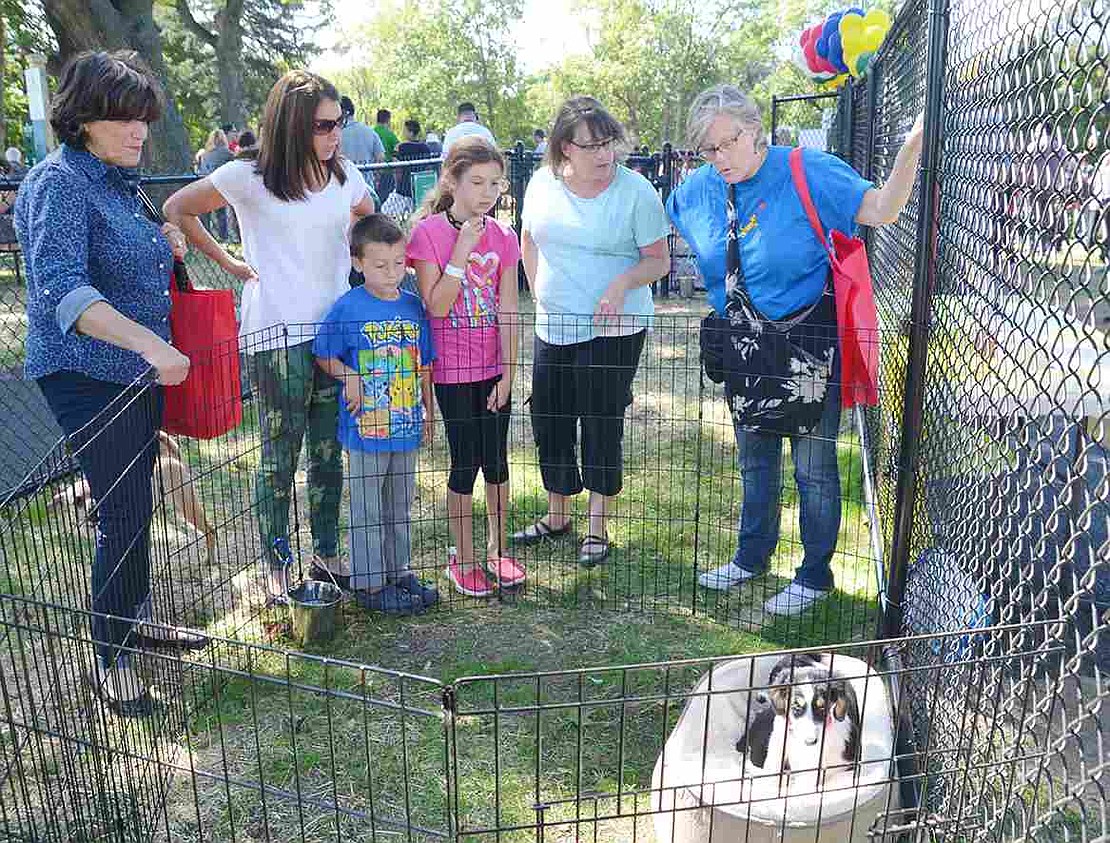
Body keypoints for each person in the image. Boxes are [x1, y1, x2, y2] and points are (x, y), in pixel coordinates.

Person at [667, 84, 925, 615]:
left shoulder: (809, 170)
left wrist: (915, 144)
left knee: (813, 466)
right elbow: (671, 230)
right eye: (707, 150)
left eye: (727, 144)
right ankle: (751, 555)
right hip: (745, 348)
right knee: (755, 459)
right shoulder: (696, 191)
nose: (719, 160)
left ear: (755, 130)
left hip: (808, 343)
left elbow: (883, 209)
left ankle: (814, 574)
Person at [14, 50, 205, 717]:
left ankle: (135, 617)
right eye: (123, 119)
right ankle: (111, 657)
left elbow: (124, 246)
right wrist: (150, 342)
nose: (138, 132)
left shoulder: (118, 178)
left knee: (137, 500)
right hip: (86, 373)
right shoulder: (57, 182)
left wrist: (164, 241)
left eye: (143, 119)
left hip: (135, 369)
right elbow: (65, 288)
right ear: (83, 116)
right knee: (122, 509)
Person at [164, 70, 377, 602]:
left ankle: (327, 555)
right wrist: (228, 261)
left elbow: (368, 218)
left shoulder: (344, 175)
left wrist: (360, 263)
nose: (336, 134)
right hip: (274, 336)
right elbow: (177, 208)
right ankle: (277, 567)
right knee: (279, 457)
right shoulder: (247, 176)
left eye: (340, 122)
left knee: (329, 453)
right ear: (292, 124)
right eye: (325, 124)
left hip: (335, 338)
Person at [513, 96, 669, 565]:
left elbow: (658, 260)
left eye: (608, 144)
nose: (604, 156)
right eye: (591, 146)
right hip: (553, 323)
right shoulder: (540, 184)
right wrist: (539, 289)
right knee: (550, 417)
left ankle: (597, 528)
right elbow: (528, 238)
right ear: (564, 149)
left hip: (615, 328)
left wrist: (622, 283)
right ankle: (557, 514)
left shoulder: (637, 191)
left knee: (600, 421)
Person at [408, 137, 523, 597]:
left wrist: (510, 372)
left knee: (496, 463)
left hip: (494, 369)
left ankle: (497, 549)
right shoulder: (428, 234)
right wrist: (462, 249)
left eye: (495, 183)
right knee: (466, 464)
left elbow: (509, 309)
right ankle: (465, 558)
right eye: (476, 182)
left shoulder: (505, 237)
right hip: (453, 370)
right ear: (451, 181)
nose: (487, 192)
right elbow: (435, 306)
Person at [313, 215, 438, 614]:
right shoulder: (348, 308)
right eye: (380, 265)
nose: (392, 273)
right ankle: (369, 585)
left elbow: (424, 365)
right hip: (366, 429)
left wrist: (428, 411)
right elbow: (323, 354)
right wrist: (348, 375)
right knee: (367, 507)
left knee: (399, 503)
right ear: (358, 263)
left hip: (405, 426)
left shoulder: (414, 306)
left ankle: (397, 571)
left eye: (399, 263)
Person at [197, 129, 234, 240]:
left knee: (206, 214)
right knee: (221, 213)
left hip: (204, 185)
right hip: (220, 186)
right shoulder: (227, 153)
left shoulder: (204, 155)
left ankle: (207, 236)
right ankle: (224, 237)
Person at [392, 119, 432, 202]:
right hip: (420, 186)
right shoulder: (425, 147)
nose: (403, 133)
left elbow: (396, 167)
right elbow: (428, 167)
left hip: (404, 186)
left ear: (410, 132)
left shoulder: (400, 147)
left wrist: (397, 183)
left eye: (405, 131)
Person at [340, 96, 386, 165]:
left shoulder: (336, 134)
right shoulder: (370, 132)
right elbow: (381, 158)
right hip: (366, 175)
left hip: (343, 175)